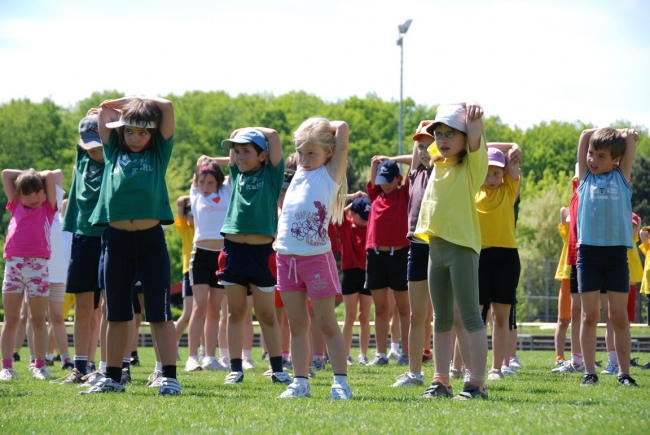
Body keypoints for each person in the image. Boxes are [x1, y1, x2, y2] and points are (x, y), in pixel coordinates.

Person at [81, 96, 181, 395]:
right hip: (117, 242)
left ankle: (168, 376)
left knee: (159, 314)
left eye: (143, 132)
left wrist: (132, 102)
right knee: (116, 313)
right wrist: (111, 106)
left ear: (153, 135)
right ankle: (112, 376)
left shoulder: (158, 154)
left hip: (151, 243)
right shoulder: (111, 150)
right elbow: (105, 111)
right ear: (120, 133)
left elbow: (166, 107)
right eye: (129, 131)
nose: (135, 138)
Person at [413, 102, 489, 400]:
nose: (442, 140)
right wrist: (444, 119)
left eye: (450, 134)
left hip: (462, 249)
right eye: (439, 134)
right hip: (437, 248)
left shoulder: (472, 167)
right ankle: (441, 382)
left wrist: (473, 120)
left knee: (470, 317)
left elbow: (475, 138)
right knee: (441, 319)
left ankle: (476, 384)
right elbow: (427, 139)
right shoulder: (436, 162)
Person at [275, 117, 351, 399]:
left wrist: (318, 126)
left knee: (327, 323)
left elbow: (342, 129)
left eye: (312, 153)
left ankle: (340, 383)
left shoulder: (330, 172)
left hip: (316, 260)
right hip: (286, 258)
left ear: (328, 152)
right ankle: (300, 382)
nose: (304, 159)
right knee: (297, 325)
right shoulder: (297, 174)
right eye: (302, 152)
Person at [217, 127, 291, 385]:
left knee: (267, 315)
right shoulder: (236, 173)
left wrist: (256, 131)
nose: (239, 157)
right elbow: (233, 149)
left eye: (246, 151)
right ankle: (235, 368)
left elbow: (272, 135)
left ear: (263, 156)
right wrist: (239, 136)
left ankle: (277, 369)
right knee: (235, 313)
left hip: (262, 254)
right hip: (233, 251)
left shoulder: (272, 175)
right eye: (236, 152)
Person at [576, 127, 638, 387]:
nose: (593, 160)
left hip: (615, 256)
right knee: (590, 315)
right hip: (588, 255)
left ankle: (624, 373)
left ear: (615, 160)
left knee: (618, 316)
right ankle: (590, 372)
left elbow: (628, 146)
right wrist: (599, 132)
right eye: (592, 154)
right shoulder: (585, 178)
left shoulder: (622, 177)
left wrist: (625, 135)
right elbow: (583, 137)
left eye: (601, 156)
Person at [55, 112, 106, 384]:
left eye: (100, 147)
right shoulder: (83, 157)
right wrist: (93, 117)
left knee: (105, 309)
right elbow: (83, 139)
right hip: (83, 237)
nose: (96, 153)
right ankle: (80, 366)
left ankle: (112, 366)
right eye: (91, 148)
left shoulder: (113, 161)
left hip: (109, 237)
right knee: (84, 307)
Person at [1, 168, 57, 381]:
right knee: (12, 319)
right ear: (19, 195)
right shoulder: (15, 204)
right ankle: (6, 367)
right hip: (14, 266)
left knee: (37, 319)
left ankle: (40, 366)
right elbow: (6, 174)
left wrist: (35, 175)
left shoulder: (47, 208)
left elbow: (50, 176)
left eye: (38, 192)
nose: (33, 198)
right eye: (27, 193)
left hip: (38, 268)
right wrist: (26, 176)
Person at [392, 121, 435, 387]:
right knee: (417, 315)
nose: (423, 151)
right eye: (420, 147)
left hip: (442, 244)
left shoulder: (445, 171)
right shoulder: (416, 171)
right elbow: (415, 151)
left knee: (450, 315)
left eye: (428, 145)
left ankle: (457, 369)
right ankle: (414, 374)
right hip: (417, 246)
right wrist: (421, 131)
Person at [476, 144, 522, 381]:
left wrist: (514, 148)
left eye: (497, 172)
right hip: (479, 258)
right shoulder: (472, 189)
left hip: (506, 258)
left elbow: (514, 164)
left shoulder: (509, 187)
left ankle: (496, 368)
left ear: (504, 173)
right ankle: (474, 366)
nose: (491, 177)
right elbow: (473, 148)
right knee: (478, 317)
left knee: (501, 317)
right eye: (487, 171)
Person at [185, 156, 230, 372]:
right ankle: (192, 357)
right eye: (202, 182)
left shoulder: (226, 191)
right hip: (201, 255)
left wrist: (215, 159)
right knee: (200, 306)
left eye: (210, 183)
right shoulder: (195, 194)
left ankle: (210, 357)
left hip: (221, 256)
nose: (205, 187)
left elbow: (234, 163)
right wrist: (202, 164)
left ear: (219, 183)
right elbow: (198, 174)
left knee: (215, 309)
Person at [366, 157, 411, 366]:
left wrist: (395, 159)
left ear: (399, 179)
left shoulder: (404, 194)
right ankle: (381, 354)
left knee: (403, 308)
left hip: (398, 256)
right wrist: (375, 164)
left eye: (389, 179)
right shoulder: (375, 195)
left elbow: (416, 162)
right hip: (375, 256)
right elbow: (373, 180)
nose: (385, 183)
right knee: (381, 308)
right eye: (382, 179)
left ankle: (406, 352)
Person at [337, 194, 372, 366]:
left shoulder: (372, 226)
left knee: (364, 316)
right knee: (350, 316)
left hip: (367, 273)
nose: (365, 220)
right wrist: (351, 203)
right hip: (350, 273)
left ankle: (363, 355)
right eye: (362, 216)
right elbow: (335, 213)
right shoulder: (345, 226)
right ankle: (345, 354)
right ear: (352, 213)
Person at [553, 206, 572, 367]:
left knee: (586, 319)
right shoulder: (567, 226)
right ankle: (560, 357)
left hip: (588, 273)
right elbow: (563, 211)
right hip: (568, 275)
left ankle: (579, 357)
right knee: (563, 320)